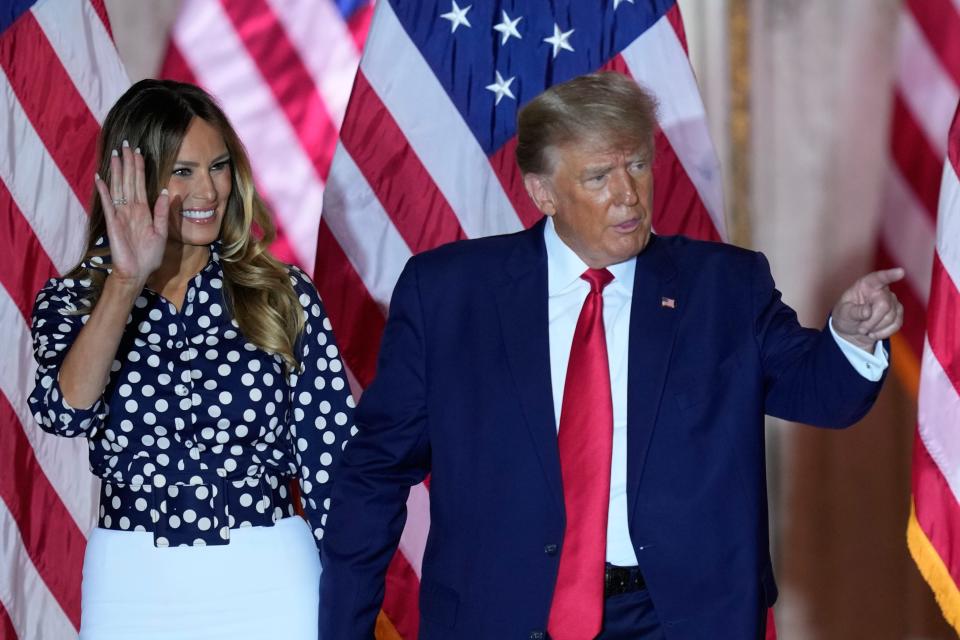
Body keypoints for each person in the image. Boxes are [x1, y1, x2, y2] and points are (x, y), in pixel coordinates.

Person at [319, 72, 904, 639]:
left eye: (639, 166)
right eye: (599, 176)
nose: (628, 195)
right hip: (501, 613)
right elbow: (376, 470)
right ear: (542, 191)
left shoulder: (723, 286)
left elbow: (822, 392)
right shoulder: (448, 294)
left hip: (679, 617)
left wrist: (851, 335)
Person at [28, 79, 354, 640]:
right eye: (182, 172)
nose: (209, 190)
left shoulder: (281, 293)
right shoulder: (75, 299)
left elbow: (332, 465)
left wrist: (352, 601)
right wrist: (125, 283)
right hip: (132, 581)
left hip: (272, 576)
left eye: (219, 166)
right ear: (135, 181)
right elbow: (64, 412)